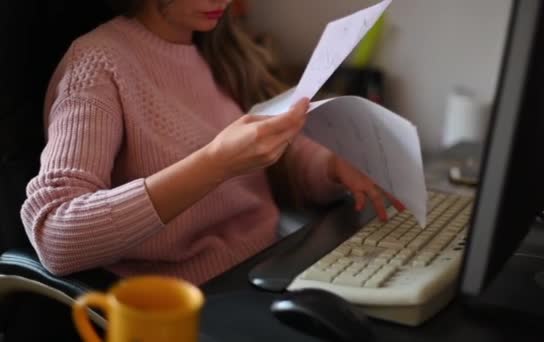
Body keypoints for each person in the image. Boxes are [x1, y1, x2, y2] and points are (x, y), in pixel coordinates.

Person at [20, 0, 405, 285]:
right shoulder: (97, 64)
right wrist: (215, 164)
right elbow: (56, 237)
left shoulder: (221, 48)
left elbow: (278, 152)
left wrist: (331, 166)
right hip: (189, 299)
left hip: (268, 266)